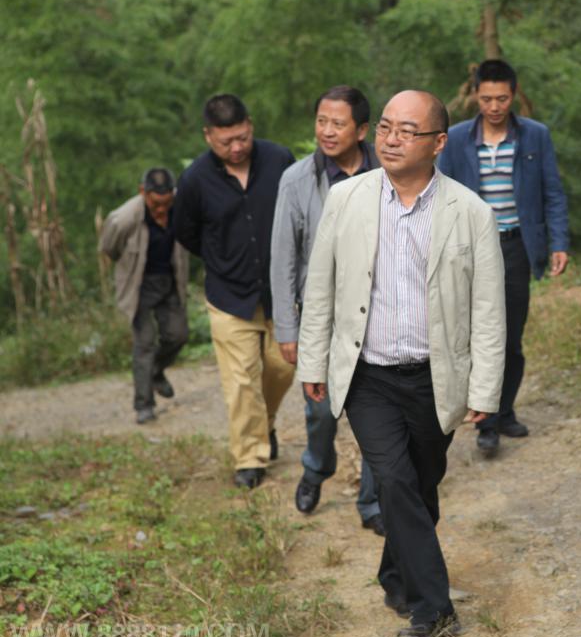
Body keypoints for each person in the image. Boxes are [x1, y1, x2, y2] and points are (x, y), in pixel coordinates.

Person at [297, 90, 505, 637]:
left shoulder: (471, 213)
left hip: (436, 378)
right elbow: (321, 286)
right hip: (369, 375)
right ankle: (433, 610)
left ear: (438, 143)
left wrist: (485, 389)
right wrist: (313, 360)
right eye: (386, 127)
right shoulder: (347, 198)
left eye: (407, 131)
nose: (391, 139)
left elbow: (488, 310)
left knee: (420, 486)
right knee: (392, 478)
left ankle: (396, 575)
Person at [438, 59, 569, 456]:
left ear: (514, 96)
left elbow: (552, 191)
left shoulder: (534, 136)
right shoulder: (456, 138)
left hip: (515, 248)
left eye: (502, 99)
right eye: (486, 99)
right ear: (475, 96)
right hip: (469, 247)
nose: (494, 107)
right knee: (473, 334)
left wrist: (558, 242)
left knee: (510, 336)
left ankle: (502, 410)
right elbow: (440, 194)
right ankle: (485, 418)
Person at [270, 85, 383, 533]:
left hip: (379, 313)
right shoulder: (297, 180)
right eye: (321, 121)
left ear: (362, 130)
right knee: (320, 410)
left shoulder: (388, 170)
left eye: (338, 123)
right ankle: (317, 467)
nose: (327, 131)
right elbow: (283, 260)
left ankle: (372, 502)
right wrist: (287, 328)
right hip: (321, 318)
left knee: (379, 414)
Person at [174, 94, 296, 490]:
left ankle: (264, 424)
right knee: (241, 381)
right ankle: (249, 457)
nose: (237, 147)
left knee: (283, 368)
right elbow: (186, 231)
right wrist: (223, 258)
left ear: (251, 126)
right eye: (226, 142)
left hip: (280, 292)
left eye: (242, 137)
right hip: (229, 296)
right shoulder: (194, 180)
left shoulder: (279, 159)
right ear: (208, 136)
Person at [100, 168, 189, 424]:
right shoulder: (124, 219)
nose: (161, 209)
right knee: (145, 342)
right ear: (143, 192)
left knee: (178, 335)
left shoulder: (181, 208)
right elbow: (108, 247)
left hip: (170, 281)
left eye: (166, 203)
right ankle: (144, 404)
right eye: (155, 203)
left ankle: (156, 371)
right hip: (139, 285)